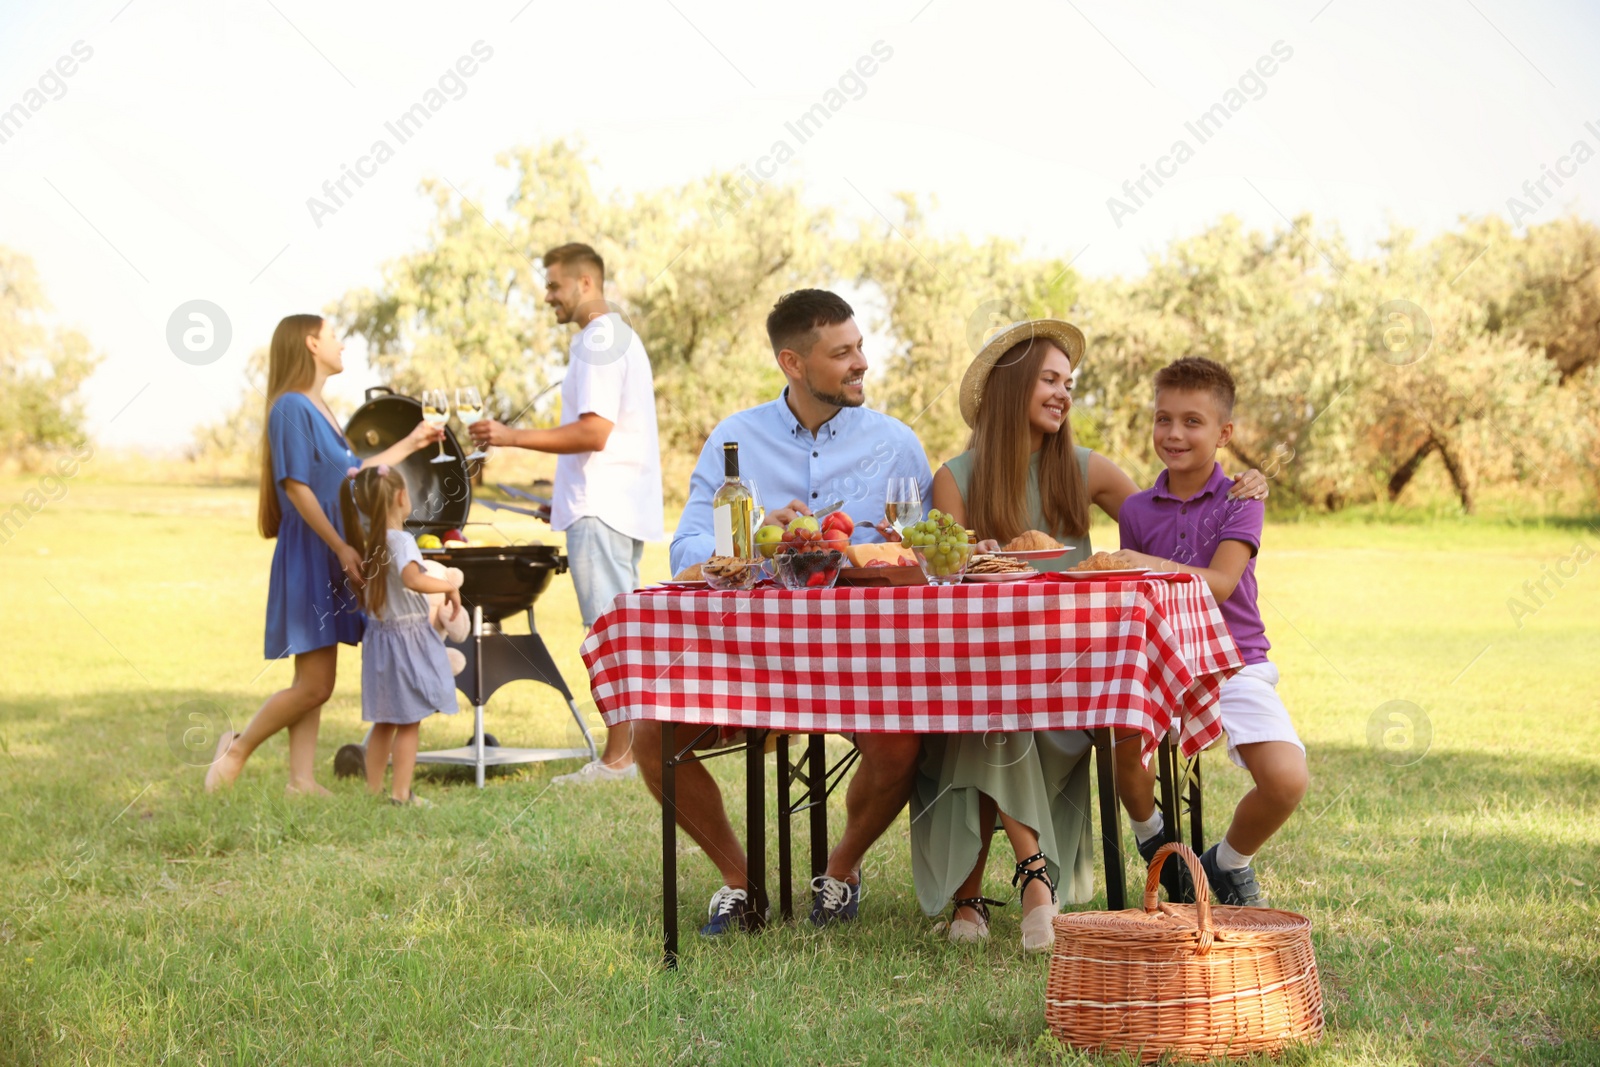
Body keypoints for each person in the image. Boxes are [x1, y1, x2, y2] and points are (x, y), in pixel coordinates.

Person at [914, 321, 1269, 950]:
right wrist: (973, 562)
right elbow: (943, 585)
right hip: (987, 674)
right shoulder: (955, 477)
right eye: (1049, 380)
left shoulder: (1087, 469)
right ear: (1011, 386)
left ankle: (977, 901)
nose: (1062, 394)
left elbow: (1166, 521)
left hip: (1078, 684)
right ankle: (1032, 884)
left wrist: (1238, 491)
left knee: (993, 710)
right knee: (989, 706)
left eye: (1067, 384)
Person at [649, 288, 933, 936]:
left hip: (865, 656)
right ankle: (740, 881)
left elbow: (923, 551)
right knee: (649, 734)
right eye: (842, 353)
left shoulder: (895, 443)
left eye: (860, 347)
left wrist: (875, 551)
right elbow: (686, 550)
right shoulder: (736, 438)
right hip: (755, 660)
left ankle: (841, 869)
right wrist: (749, 540)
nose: (861, 362)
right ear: (793, 363)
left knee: (902, 741)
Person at [206, 314, 442, 793]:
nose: (343, 345)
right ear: (312, 343)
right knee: (315, 683)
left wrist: (414, 442)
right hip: (315, 550)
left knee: (315, 676)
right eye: (335, 337)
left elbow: (355, 473)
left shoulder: (320, 408)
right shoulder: (291, 407)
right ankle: (236, 749)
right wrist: (338, 546)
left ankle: (301, 779)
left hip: (333, 549)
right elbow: (295, 486)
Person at [1109, 357, 1308, 907]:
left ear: (1223, 434)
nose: (1174, 434)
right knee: (1121, 744)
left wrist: (1140, 562)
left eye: (1192, 422)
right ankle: (1154, 838)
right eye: (1163, 419)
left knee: (1287, 779)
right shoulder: (1135, 509)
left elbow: (1220, 583)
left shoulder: (1241, 499)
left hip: (1234, 661)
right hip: (1160, 663)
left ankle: (1227, 862)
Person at [470, 243, 665, 786]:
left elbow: (593, 432)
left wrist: (510, 436)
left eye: (554, 286)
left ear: (585, 283)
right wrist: (557, 499)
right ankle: (627, 753)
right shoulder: (617, 336)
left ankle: (621, 759)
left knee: (606, 632)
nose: (548, 297)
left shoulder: (599, 338)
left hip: (601, 510)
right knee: (618, 629)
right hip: (612, 505)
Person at [340, 465, 464, 806]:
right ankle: (400, 795)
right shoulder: (401, 540)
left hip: (381, 640)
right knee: (409, 721)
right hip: (407, 641)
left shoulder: (373, 542)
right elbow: (413, 579)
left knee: (385, 720)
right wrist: (449, 586)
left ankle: (373, 792)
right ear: (400, 496)